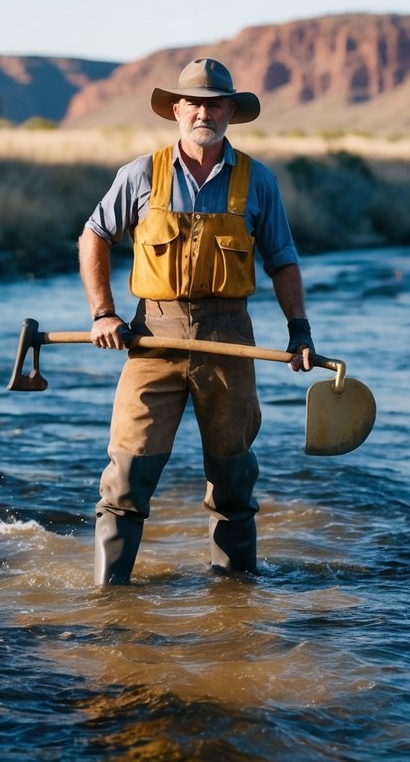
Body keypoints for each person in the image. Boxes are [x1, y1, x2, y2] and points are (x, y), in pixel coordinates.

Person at [78, 57, 316, 585]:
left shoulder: (259, 181)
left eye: (215, 104)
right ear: (177, 110)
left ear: (231, 111)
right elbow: (94, 235)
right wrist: (103, 313)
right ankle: (108, 604)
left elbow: (282, 260)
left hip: (230, 338)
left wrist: (298, 330)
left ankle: (234, 603)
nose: (203, 112)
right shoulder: (141, 173)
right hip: (150, 339)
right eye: (194, 103)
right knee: (126, 478)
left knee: (233, 481)